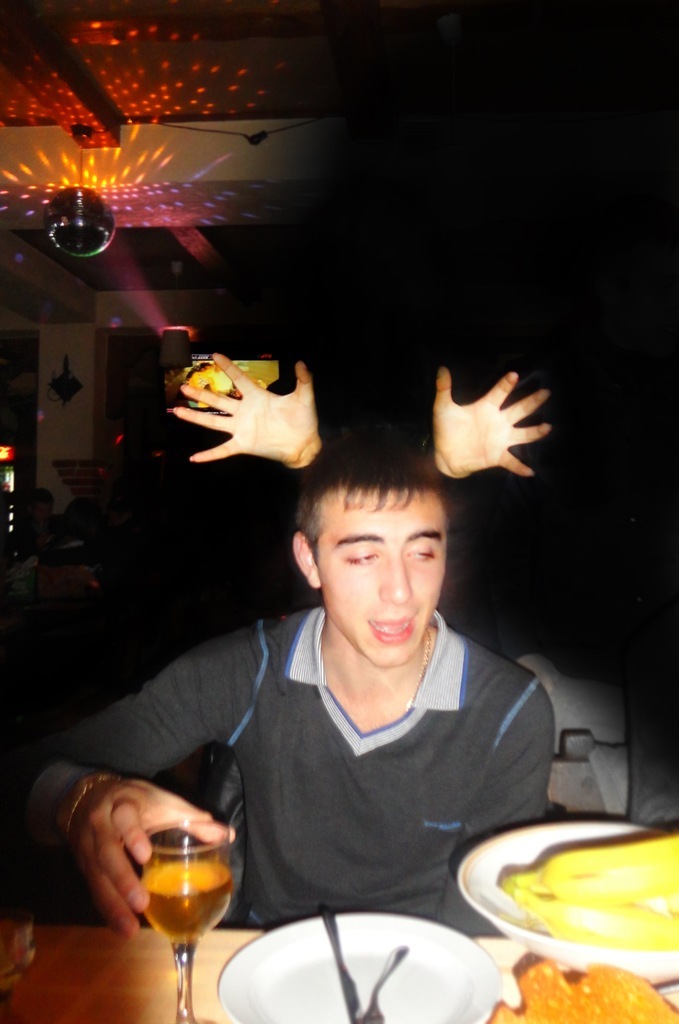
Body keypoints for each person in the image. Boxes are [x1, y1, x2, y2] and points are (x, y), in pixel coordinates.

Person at [1, 426, 554, 941]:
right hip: (262, 967)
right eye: (364, 555)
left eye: (422, 552)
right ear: (309, 561)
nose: (400, 591)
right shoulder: (248, 670)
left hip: (434, 974)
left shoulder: (509, 710)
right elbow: (18, 771)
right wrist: (81, 798)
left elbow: (485, 930)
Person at [486, 193, 679, 821]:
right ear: (611, 289)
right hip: (572, 680)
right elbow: (502, 543)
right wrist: (528, 664)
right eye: (664, 287)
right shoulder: (539, 393)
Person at [10, 486, 58, 562]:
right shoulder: (22, 528)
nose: (45, 514)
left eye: (49, 510)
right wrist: (35, 545)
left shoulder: (55, 525)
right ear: (30, 509)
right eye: (41, 510)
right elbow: (13, 551)